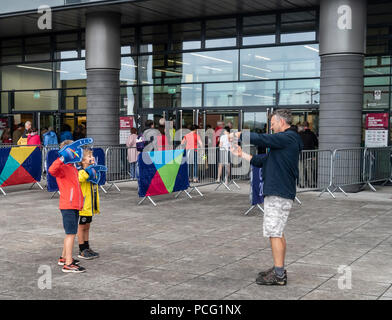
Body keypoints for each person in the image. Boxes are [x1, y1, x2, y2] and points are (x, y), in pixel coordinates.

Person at [230, 109, 303, 286]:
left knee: (274, 232)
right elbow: (263, 161)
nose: (270, 126)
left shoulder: (289, 138)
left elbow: (263, 139)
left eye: (272, 122)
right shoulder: (285, 142)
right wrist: (242, 155)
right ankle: (279, 268)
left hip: (279, 192)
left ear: (282, 122)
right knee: (277, 231)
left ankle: (279, 275)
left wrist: (240, 134)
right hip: (279, 191)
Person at [49, 140, 86, 273]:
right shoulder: (62, 167)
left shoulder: (72, 167)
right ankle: (68, 264)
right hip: (68, 205)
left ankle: (64, 258)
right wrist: (62, 158)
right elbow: (51, 169)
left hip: (74, 205)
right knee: (70, 234)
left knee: (71, 233)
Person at [77, 149, 102, 260]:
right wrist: (89, 170)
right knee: (81, 227)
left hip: (90, 206)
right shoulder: (81, 172)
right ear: (82, 161)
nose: (92, 157)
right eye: (89, 156)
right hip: (83, 206)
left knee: (87, 227)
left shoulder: (92, 170)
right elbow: (81, 178)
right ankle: (81, 249)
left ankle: (87, 247)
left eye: (92, 155)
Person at [298, 121, 319, 188]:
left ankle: (302, 184)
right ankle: (311, 183)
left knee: (301, 170)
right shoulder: (312, 134)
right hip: (310, 154)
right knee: (310, 170)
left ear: (303, 127)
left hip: (301, 155)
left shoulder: (299, 134)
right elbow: (316, 143)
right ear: (308, 126)